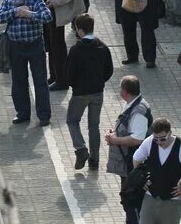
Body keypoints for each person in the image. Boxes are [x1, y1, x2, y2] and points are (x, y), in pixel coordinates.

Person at [0, 0, 52, 126]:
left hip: (35, 45)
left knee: (40, 81)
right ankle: (22, 113)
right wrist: (15, 11)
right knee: (18, 81)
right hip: (15, 46)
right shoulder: (8, 0)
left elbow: (48, 16)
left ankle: (44, 115)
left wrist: (30, 14)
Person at [66, 13, 113, 170]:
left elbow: (69, 74)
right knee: (94, 125)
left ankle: (81, 149)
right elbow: (109, 70)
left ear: (79, 30)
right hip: (97, 92)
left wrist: (74, 85)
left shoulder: (76, 50)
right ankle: (95, 160)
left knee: (72, 121)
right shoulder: (103, 47)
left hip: (80, 93)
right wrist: (100, 82)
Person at [106, 76, 153, 224]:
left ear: (125, 92)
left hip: (133, 165)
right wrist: (115, 132)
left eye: (120, 88)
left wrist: (114, 140)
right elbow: (129, 129)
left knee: (131, 200)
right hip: (128, 162)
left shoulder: (138, 110)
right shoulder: (132, 104)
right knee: (128, 201)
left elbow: (137, 139)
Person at [133, 117, 181, 223]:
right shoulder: (149, 142)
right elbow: (136, 159)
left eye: (163, 138)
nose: (159, 142)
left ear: (170, 133)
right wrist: (141, 178)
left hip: (172, 201)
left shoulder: (179, 146)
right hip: (150, 197)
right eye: (156, 139)